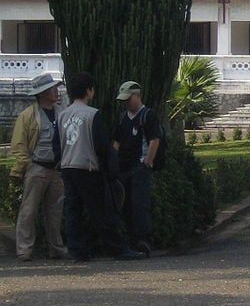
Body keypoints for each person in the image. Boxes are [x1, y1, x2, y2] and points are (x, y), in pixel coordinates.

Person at [57, 72, 144, 263]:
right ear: (89, 91)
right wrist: (110, 170)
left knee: (73, 211)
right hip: (87, 167)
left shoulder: (62, 115)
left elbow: (58, 145)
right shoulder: (92, 114)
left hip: (67, 167)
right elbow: (102, 146)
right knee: (101, 211)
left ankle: (77, 250)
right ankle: (118, 249)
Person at [10, 72, 68, 261]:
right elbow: (19, 144)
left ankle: (56, 248)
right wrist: (26, 164)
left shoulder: (62, 112)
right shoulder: (27, 116)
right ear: (43, 93)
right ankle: (24, 249)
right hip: (37, 167)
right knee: (29, 210)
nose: (56, 91)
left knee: (55, 212)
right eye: (53, 88)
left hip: (57, 168)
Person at [112, 81, 161, 256]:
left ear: (137, 96)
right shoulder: (123, 118)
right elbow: (116, 141)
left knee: (139, 203)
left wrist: (147, 162)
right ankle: (130, 239)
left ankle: (143, 239)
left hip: (139, 166)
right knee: (125, 205)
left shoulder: (147, 116)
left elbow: (154, 140)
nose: (126, 103)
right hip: (123, 168)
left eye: (128, 99)